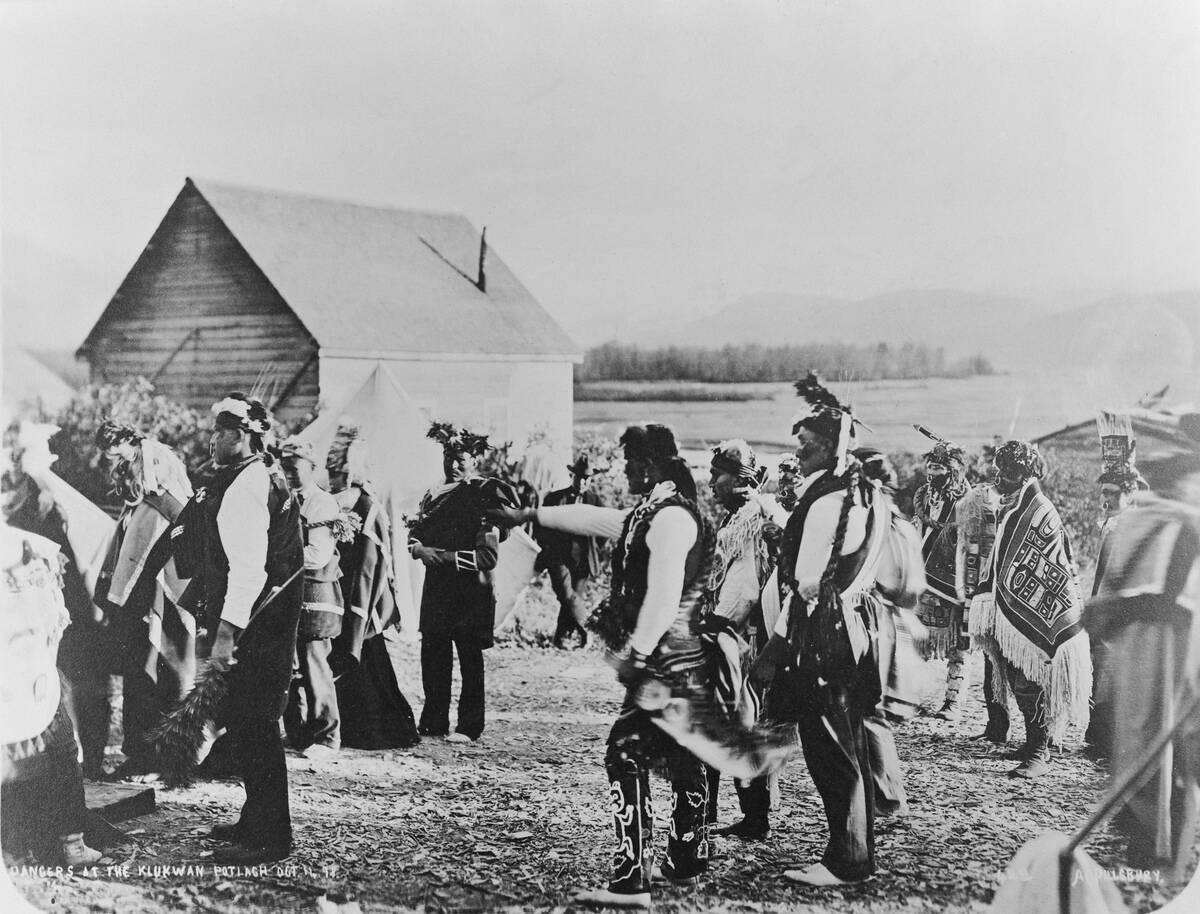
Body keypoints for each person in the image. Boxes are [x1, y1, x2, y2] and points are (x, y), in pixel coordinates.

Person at [494, 423, 719, 908]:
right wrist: (531, 513)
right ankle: (686, 858)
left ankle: (631, 881)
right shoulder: (656, 513)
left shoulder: (668, 520)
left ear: (651, 465)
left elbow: (663, 596)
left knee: (624, 753)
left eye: (630, 463)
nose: (624, 470)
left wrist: (636, 654)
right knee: (684, 749)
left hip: (664, 658)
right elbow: (596, 519)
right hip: (682, 656)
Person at [751, 372, 892, 887]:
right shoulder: (870, 499)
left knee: (832, 750)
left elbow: (807, 588)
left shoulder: (828, 504)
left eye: (808, 444)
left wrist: (773, 649)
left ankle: (847, 859)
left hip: (824, 640)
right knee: (848, 743)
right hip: (858, 634)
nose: (800, 451)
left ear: (834, 447)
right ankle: (856, 851)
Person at [171, 392, 303, 864]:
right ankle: (256, 820)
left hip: (255, 624)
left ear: (242, 435)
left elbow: (249, 571)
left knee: (255, 725)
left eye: (219, 433)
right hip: (269, 618)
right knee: (250, 723)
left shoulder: (244, 487)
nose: (211, 441)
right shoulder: (263, 470)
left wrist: (225, 636)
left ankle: (270, 839)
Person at [1083, 426, 1200, 872]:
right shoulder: (1182, 522)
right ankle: (1156, 836)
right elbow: (1173, 595)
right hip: (1170, 641)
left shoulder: (1136, 520)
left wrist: (1111, 616)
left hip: (1133, 641)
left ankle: (1142, 825)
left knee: (1137, 731)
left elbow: (1115, 585)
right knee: (1163, 731)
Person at [967, 440, 1092, 779]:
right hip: (1021, 605)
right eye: (998, 473)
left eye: (1006, 474)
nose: (999, 481)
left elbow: (1049, 559)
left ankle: (1040, 749)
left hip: (1042, 608)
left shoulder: (1038, 509)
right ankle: (1032, 741)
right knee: (1016, 672)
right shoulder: (1017, 506)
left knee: (1030, 676)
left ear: (1023, 473)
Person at [2, 421, 109, 780]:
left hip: (56, 601)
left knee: (79, 679)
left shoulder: (38, 493)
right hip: (41, 601)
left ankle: (85, 761)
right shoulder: (37, 490)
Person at [92, 420, 194, 782]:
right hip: (141, 603)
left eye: (121, 456)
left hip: (163, 600)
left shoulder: (164, 499)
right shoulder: (138, 504)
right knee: (140, 676)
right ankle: (141, 753)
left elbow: (181, 544)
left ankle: (161, 758)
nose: (117, 466)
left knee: (159, 675)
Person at [2, 526, 103, 867]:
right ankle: (63, 843)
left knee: (53, 750)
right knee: (58, 751)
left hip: (28, 668)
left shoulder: (33, 550)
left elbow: (52, 618)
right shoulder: (34, 551)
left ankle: (39, 846)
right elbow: (53, 619)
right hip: (29, 668)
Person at [409, 422, 515, 744]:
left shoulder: (482, 496)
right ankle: (433, 721)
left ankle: (469, 726)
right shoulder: (432, 495)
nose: (455, 464)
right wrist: (415, 545)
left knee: (469, 658)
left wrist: (438, 556)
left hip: (470, 592)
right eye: (450, 456)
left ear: (475, 461)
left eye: (463, 458)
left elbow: (487, 557)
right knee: (434, 654)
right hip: (437, 591)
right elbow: (418, 532)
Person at [703, 438, 781, 841]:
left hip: (744, 635)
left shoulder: (752, 517)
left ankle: (754, 818)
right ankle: (721, 810)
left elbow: (746, 586)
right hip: (739, 632)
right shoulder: (741, 514)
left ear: (738, 479)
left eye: (718, 473)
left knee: (739, 720)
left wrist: (715, 623)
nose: (711, 480)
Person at [325, 420, 420, 750]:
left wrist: (358, 607)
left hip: (363, 594)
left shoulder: (367, 506)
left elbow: (369, 565)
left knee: (367, 662)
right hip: (341, 590)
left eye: (336, 471)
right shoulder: (335, 501)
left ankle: (377, 730)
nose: (332, 478)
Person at [1085, 413, 1148, 759]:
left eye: (1112, 493)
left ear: (1130, 493)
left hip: (1123, 616)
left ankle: (1110, 746)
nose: (1105, 499)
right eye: (1104, 493)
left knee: (1114, 677)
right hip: (1106, 609)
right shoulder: (1111, 524)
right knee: (1101, 672)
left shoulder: (1131, 526)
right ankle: (1098, 739)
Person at [280, 438, 345, 759]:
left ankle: (327, 735)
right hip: (288, 595)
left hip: (314, 595)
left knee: (314, 663)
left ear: (313, 467)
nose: (289, 473)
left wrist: (275, 557)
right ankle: (298, 732)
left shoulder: (321, 503)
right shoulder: (285, 500)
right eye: (285, 467)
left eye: (296, 467)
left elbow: (317, 554)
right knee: (288, 665)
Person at [911, 430, 970, 721]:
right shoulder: (924, 497)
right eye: (931, 466)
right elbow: (919, 525)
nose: (933, 472)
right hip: (923, 576)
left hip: (953, 581)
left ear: (953, 470)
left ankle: (953, 701)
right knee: (918, 637)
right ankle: (913, 697)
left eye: (940, 467)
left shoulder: (966, 502)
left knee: (957, 643)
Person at [957, 444, 1005, 745]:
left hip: (1008, 586)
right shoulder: (979, 497)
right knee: (991, 660)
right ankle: (996, 726)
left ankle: (1039, 740)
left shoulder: (1023, 503)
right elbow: (968, 541)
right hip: (986, 585)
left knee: (1020, 669)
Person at [534, 454, 602, 649]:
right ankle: (587, 631)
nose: (583, 482)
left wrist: (595, 549)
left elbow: (604, 531)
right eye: (579, 477)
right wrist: (549, 548)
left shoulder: (595, 501)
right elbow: (541, 525)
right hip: (559, 557)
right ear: (572, 476)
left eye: (587, 479)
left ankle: (560, 637)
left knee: (573, 599)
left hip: (584, 560)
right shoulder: (555, 498)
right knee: (566, 594)